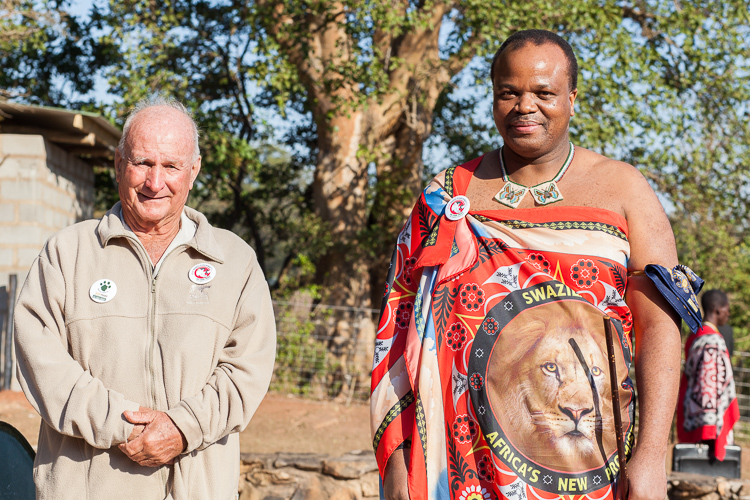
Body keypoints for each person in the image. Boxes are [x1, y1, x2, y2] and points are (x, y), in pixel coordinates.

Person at [370, 29, 682, 500]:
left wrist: (652, 457)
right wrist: (398, 461)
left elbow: (661, 328)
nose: (524, 106)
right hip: (461, 468)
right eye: (508, 93)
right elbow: (398, 332)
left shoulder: (624, 190)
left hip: (591, 467)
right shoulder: (448, 194)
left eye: (543, 92)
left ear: (572, 99)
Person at [13, 96, 277, 499]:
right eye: (143, 163)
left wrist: (181, 428)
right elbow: (41, 361)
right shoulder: (66, 254)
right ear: (119, 163)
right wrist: (125, 426)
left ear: (194, 171)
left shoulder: (235, 263)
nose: (156, 182)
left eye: (171, 166)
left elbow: (247, 370)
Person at [677, 289, 739, 460]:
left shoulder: (695, 335)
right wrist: (710, 430)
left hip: (691, 413)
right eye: (727, 309)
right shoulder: (712, 340)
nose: (728, 313)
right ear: (718, 309)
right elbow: (709, 388)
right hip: (708, 428)